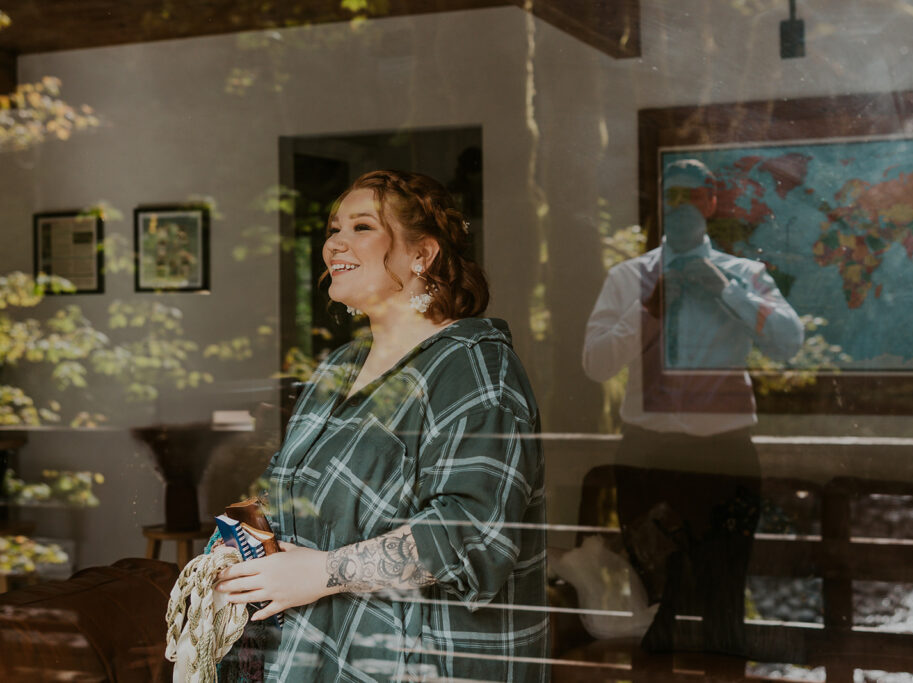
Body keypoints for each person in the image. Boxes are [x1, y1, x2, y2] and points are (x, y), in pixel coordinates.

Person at [213, 169, 549, 682]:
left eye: (362, 227)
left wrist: (324, 572)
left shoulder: (475, 367)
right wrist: (246, 550)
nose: (335, 244)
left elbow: (473, 538)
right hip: (312, 657)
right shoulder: (338, 367)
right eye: (333, 229)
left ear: (422, 254)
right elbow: (289, 495)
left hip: (425, 665)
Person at [582, 159, 803, 658]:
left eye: (692, 196)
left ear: (711, 202)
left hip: (725, 460)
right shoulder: (628, 280)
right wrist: (650, 309)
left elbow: (788, 342)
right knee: (655, 607)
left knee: (724, 609)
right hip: (647, 460)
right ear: (662, 206)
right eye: (672, 198)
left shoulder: (744, 275)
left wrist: (726, 292)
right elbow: (595, 365)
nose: (682, 207)